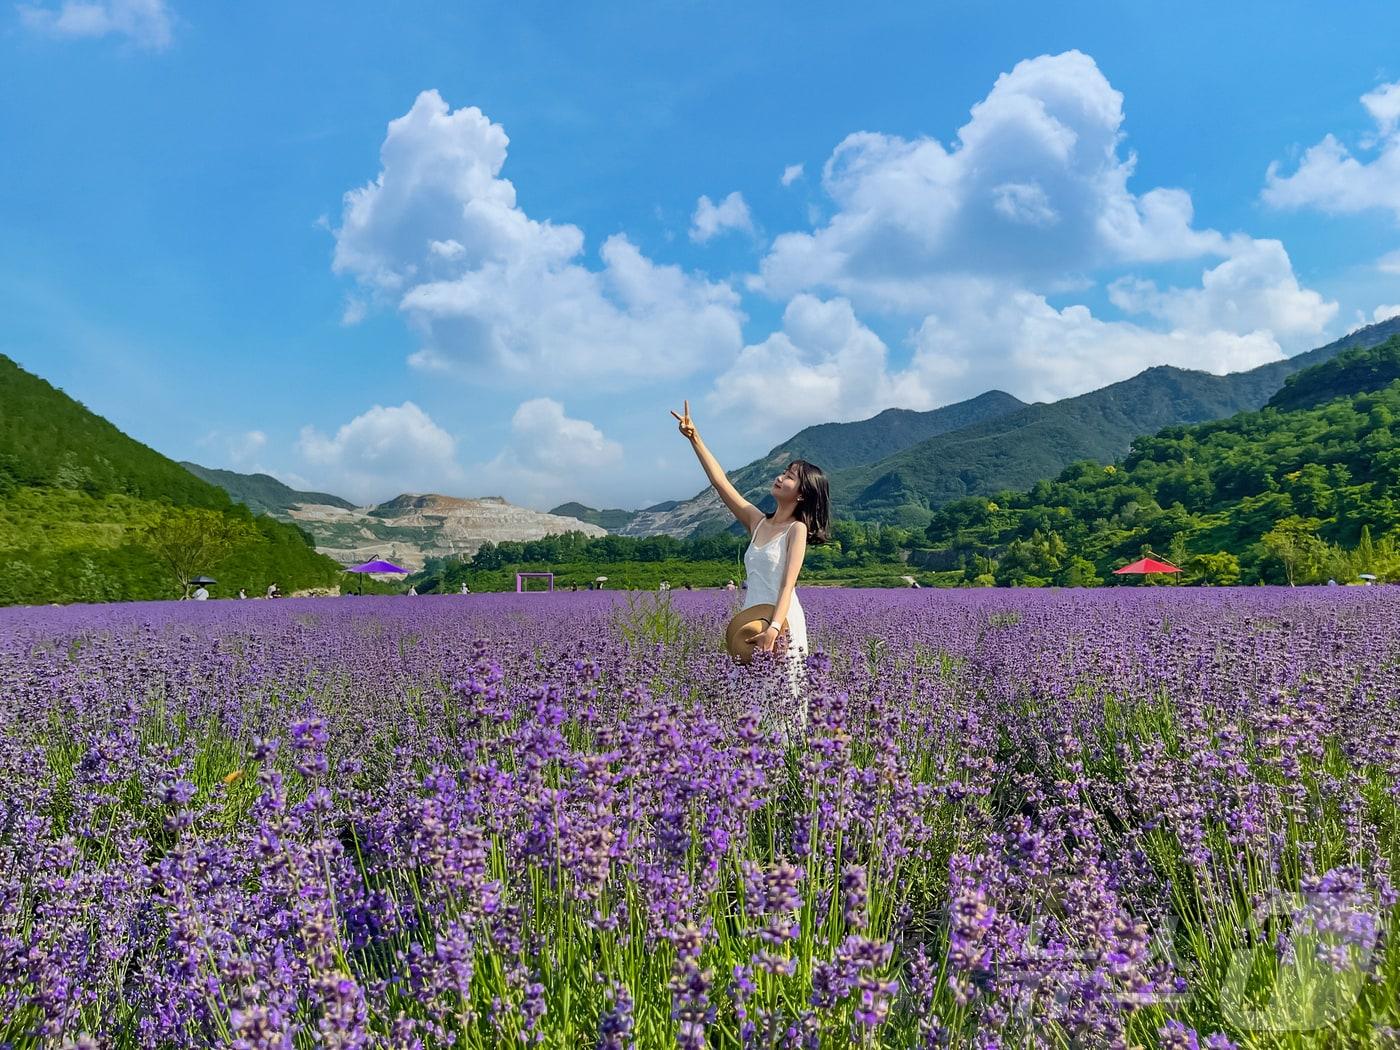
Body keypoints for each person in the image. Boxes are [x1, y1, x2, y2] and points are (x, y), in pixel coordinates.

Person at [672, 399, 829, 714]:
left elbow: (788, 585)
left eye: (790, 476)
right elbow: (721, 484)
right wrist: (695, 438)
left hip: (780, 623)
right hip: (751, 618)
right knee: (748, 704)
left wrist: (774, 628)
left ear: (801, 494)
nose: (780, 477)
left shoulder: (797, 529)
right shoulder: (758, 523)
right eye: (783, 471)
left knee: (782, 705)